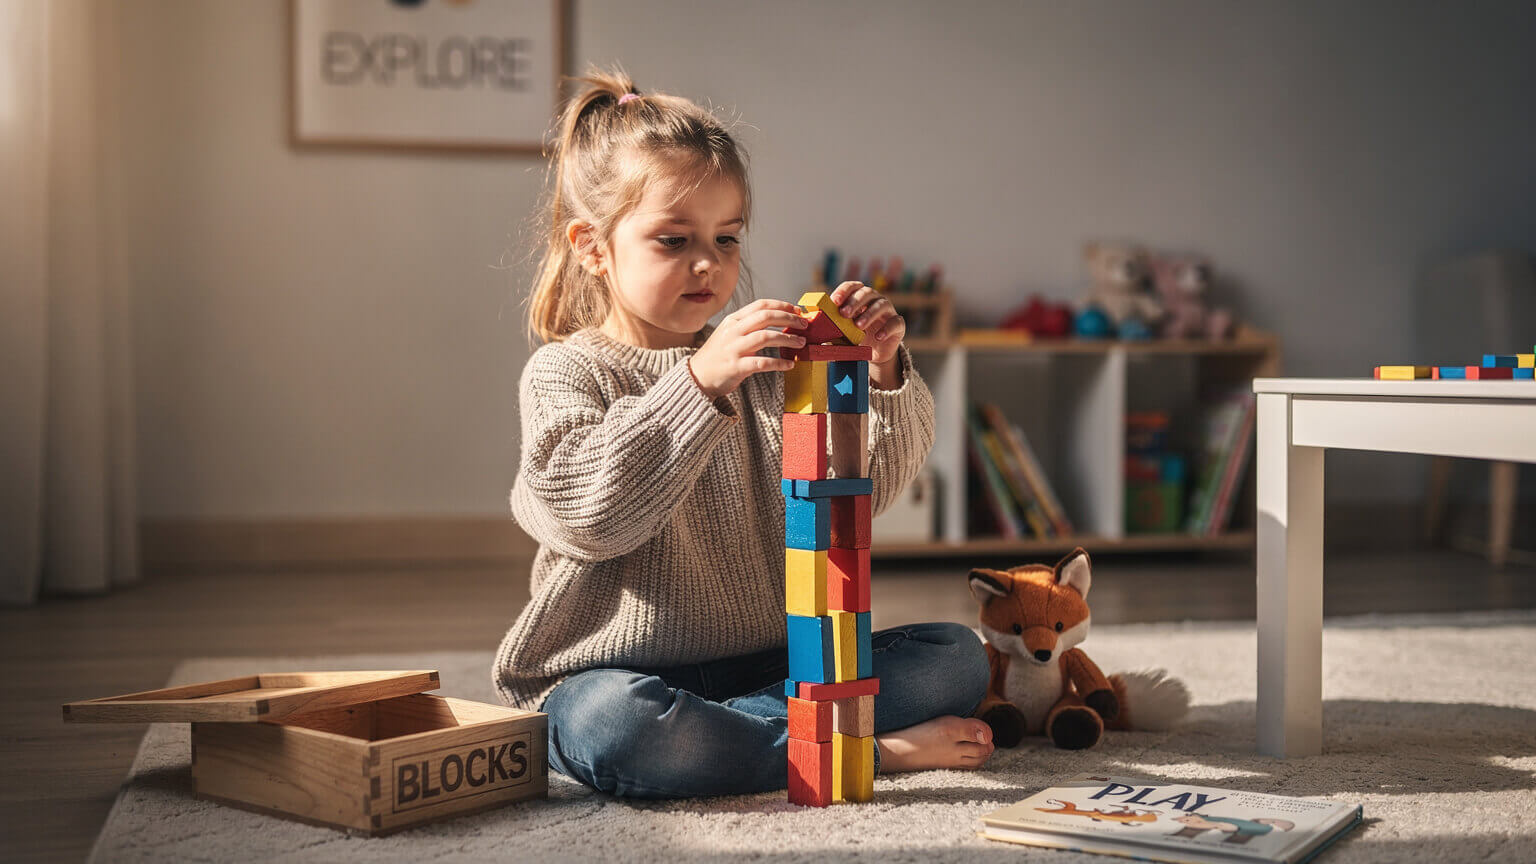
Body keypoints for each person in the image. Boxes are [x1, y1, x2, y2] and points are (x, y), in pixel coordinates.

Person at [494, 67, 993, 799]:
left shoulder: (767, 362)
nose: (710, 263)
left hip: (775, 663)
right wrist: (697, 383)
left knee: (956, 657)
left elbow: (868, 494)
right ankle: (868, 751)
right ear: (592, 248)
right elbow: (589, 519)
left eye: (727, 238)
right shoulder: (565, 372)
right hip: (618, 675)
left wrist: (879, 371)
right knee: (613, 729)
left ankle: (747, 739)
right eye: (673, 239)